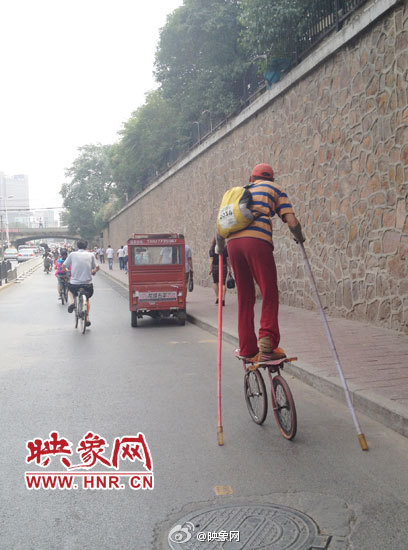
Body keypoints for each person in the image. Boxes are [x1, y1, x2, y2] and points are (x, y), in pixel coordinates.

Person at [217, 163, 305, 365]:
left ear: (252, 179)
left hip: (232, 244)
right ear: (271, 179)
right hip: (257, 241)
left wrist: (220, 249)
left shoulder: (238, 194)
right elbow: (292, 221)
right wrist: (300, 238)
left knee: (245, 296)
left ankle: (247, 347)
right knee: (269, 291)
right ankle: (267, 342)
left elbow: (220, 229)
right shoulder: (275, 189)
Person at [63, 239, 99, 327]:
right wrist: (93, 272)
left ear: (77, 246)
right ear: (86, 246)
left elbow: (64, 266)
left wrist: (67, 271)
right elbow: (97, 267)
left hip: (74, 285)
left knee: (70, 290)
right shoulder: (91, 255)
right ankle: (87, 318)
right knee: (87, 299)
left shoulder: (72, 254)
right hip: (87, 285)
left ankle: (72, 302)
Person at [209, 237, 230, 306]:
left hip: (215, 266)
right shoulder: (225, 248)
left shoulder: (212, 248)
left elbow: (211, 259)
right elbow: (227, 259)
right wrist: (230, 268)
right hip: (223, 266)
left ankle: (218, 297)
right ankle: (223, 299)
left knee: (215, 282)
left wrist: (210, 269)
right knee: (223, 283)